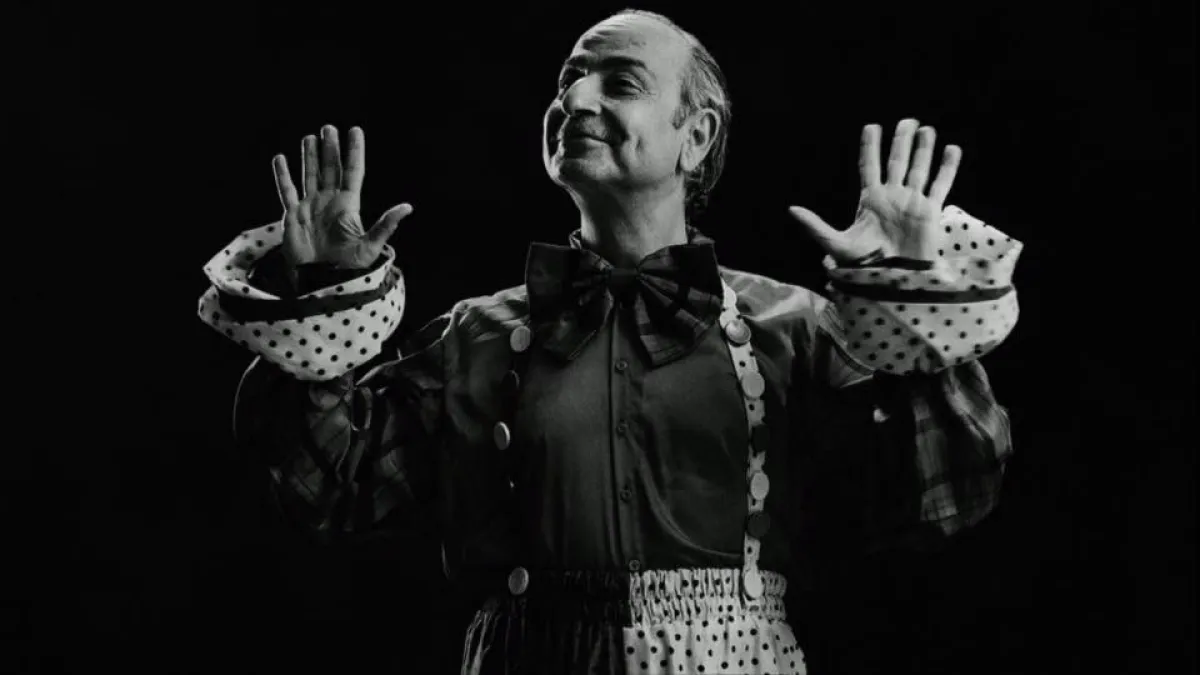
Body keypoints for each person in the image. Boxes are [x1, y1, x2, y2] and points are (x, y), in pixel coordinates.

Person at [196, 8, 1021, 675]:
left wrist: (906, 307)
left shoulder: (794, 328)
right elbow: (333, 489)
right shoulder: (474, 336)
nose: (577, 99)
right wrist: (319, 299)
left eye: (619, 81)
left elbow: (939, 497)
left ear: (695, 137)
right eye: (567, 81)